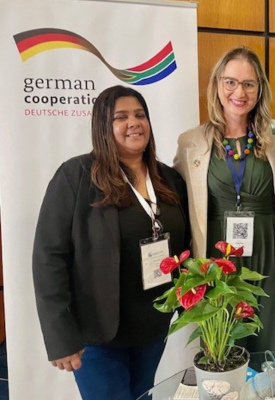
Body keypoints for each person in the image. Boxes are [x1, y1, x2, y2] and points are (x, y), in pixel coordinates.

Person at [32, 85, 191, 400]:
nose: (134, 123)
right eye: (121, 117)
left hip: (152, 326)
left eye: (139, 115)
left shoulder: (169, 179)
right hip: (97, 333)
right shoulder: (76, 176)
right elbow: (49, 257)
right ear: (103, 128)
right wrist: (61, 338)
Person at [173, 47, 275, 353]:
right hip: (216, 258)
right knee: (221, 345)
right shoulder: (191, 142)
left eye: (249, 84)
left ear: (259, 90)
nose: (239, 91)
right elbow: (174, 199)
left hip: (269, 254)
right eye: (230, 82)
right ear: (216, 86)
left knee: (271, 344)